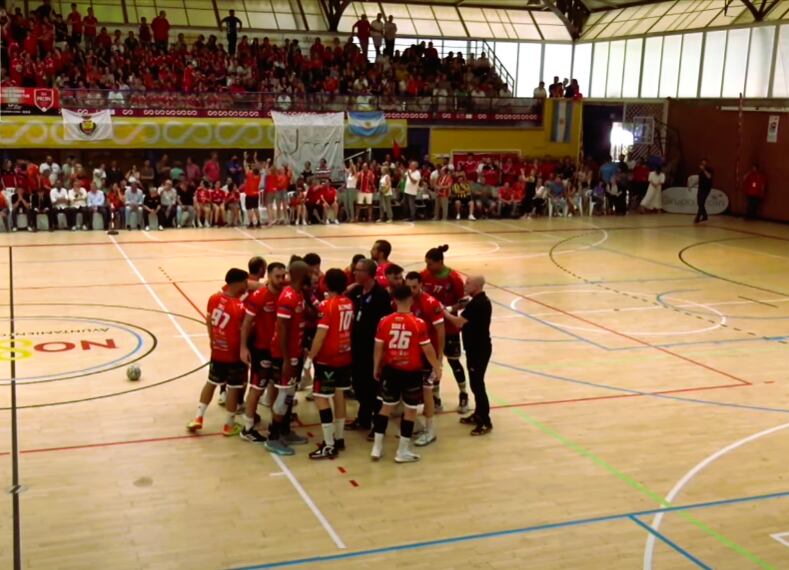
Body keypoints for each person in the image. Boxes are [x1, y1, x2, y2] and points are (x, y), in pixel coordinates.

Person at [371, 285, 442, 463]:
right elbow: (427, 348)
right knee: (410, 411)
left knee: (385, 408)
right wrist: (437, 367)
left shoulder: (384, 321)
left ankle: (377, 448)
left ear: (394, 300)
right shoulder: (417, 323)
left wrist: (376, 367)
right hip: (411, 372)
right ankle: (402, 451)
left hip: (391, 370)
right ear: (410, 300)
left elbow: (378, 348)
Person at [186, 268, 249, 436]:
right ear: (237, 282)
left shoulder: (213, 298)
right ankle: (229, 425)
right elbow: (244, 330)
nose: (246, 285)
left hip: (217, 350)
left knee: (211, 382)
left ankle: (198, 418)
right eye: (245, 281)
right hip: (234, 354)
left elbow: (208, 320)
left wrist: (212, 340)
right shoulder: (240, 306)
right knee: (233, 388)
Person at [307, 269, 354, 459]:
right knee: (339, 394)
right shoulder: (349, 303)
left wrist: (310, 356)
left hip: (328, 359)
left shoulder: (327, 305)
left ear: (326, 285)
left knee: (320, 397)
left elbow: (321, 335)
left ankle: (328, 444)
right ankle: (340, 438)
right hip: (345, 355)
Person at [264, 261, 311, 455]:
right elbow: (281, 328)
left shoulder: (299, 293)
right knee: (283, 395)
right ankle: (273, 438)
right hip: (284, 355)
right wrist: (284, 359)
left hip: (295, 353)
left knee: (290, 393)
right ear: (301, 274)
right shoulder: (288, 297)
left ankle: (284, 430)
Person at [239, 262, 287, 443]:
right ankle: (248, 427)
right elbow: (246, 324)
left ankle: (275, 423)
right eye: (277, 276)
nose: (281, 280)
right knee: (257, 388)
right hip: (262, 350)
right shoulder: (259, 296)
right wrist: (243, 348)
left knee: (276, 385)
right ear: (268, 276)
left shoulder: (285, 293)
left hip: (279, 351)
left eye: (283, 276)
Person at [421, 245, 469, 413]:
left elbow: (464, 301)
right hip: (431, 329)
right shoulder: (424, 275)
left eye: (430, 264)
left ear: (440, 262)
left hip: (449, 328)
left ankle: (463, 394)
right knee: (433, 362)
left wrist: (447, 309)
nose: (427, 267)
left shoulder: (454, 278)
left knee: (454, 360)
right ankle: (436, 398)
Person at [347, 259, 393, 433]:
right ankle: (363, 418)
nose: (354, 273)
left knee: (372, 387)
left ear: (368, 273)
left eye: (358, 270)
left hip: (373, 349)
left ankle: (377, 423)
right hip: (357, 347)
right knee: (358, 385)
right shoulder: (357, 291)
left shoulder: (381, 295)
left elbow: (385, 324)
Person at [444, 276, 493, 435]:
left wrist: (443, 312)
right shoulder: (477, 301)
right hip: (475, 348)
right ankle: (478, 414)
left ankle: (485, 421)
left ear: (477, 286)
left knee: (478, 385)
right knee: (475, 383)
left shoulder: (478, 304)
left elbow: (458, 322)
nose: (465, 285)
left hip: (479, 350)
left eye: (468, 283)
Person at [405, 272, 445, 447]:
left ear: (421, 284)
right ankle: (418, 425)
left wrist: (439, 357)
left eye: (415, 287)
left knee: (427, 391)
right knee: (413, 390)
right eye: (409, 287)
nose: (412, 290)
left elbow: (441, 330)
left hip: (428, 355)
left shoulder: (430, 303)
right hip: (412, 355)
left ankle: (430, 431)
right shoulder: (404, 301)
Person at [695, 159, 714, 224]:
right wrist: (692, 185)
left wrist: (704, 170)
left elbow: (709, 177)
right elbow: (699, 180)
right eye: (702, 163)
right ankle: (705, 216)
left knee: (701, 203)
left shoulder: (709, 170)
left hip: (706, 189)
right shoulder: (701, 172)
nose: (702, 164)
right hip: (700, 188)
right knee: (699, 203)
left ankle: (697, 217)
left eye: (704, 163)